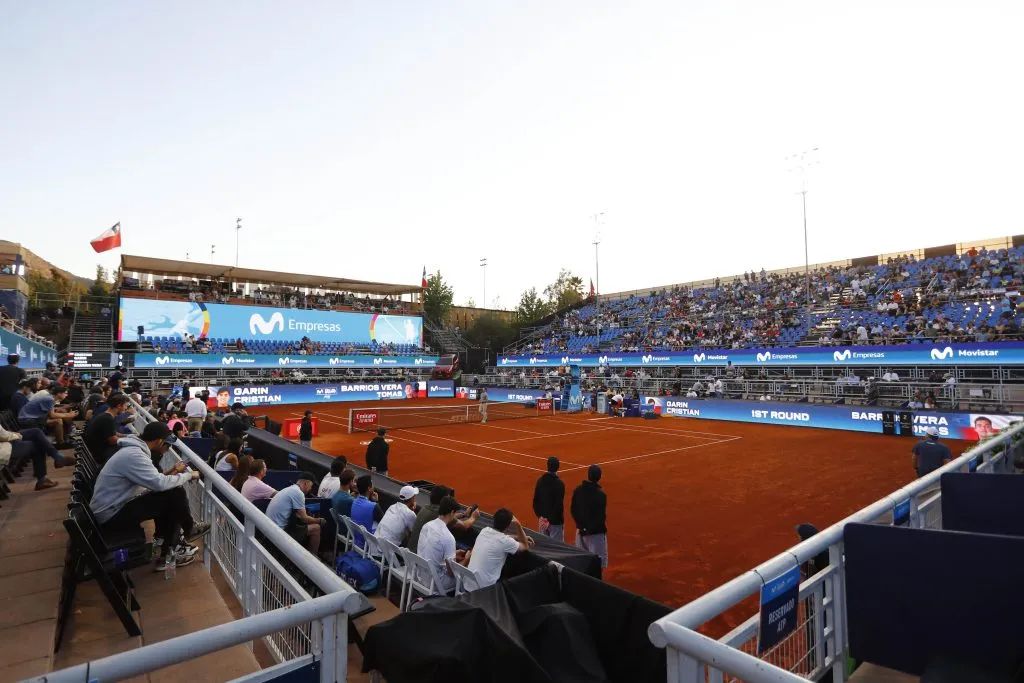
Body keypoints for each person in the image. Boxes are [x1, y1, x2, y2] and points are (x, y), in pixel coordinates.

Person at [90, 423, 209, 572]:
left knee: (169, 496)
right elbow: (158, 484)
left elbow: (153, 484)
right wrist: (189, 475)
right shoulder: (134, 455)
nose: (168, 449)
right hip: (110, 516)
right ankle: (184, 535)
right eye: (167, 445)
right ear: (159, 441)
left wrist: (174, 472)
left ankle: (170, 546)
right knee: (174, 495)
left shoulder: (133, 451)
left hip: (110, 510)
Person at [466, 508, 533, 588]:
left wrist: (518, 537)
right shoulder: (505, 542)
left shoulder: (485, 530)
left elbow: (501, 538)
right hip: (484, 590)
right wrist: (518, 524)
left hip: (467, 584)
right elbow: (525, 546)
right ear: (508, 525)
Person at [415, 496, 468, 595]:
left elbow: (431, 551)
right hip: (435, 584)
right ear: (452, 513)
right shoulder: (448, 537)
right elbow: (452, 572)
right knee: (465, 578)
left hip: (420, 577)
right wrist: (466, 560)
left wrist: (453, 554)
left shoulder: (426, 526)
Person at [408, 484, 479, 552]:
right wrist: (473, 517)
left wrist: (464, 515)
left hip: (411, 552)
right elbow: (464, 526)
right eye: (447, 497)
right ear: (443, 501)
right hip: (421, 556)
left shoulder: (425, 508)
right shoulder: (439, 513)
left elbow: (448, 516)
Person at [265, 472, 324, 553]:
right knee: (316, 528)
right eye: (311, 486)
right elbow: (304, 519)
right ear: (305, 483)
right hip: (279, 532)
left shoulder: (290, 489)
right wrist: (319, 520)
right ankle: (313, 559)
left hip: (269, 528)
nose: (310, 489)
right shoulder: (298, 493)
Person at [571, 464, 608, 568]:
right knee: (598, 563)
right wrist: (588, 529)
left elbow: (573, 510)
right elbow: (601, 518)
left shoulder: (578, 490)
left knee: (582, 561)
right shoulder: (601, 495)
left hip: (580, 532)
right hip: (595, 534)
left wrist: (581, 526)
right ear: (599, 477)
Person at [0, 423, 56, 490]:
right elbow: (3, 436)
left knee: (35, 432)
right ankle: (42, 479)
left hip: (5, 441)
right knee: (37, 446)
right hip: (4, 446)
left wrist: (13, 434)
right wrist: (16, 435)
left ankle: (58, 457)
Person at [83, 394, 130, 464]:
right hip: (101, 454)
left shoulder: (105, 415)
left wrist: (127, 436)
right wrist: (130, 441)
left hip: (97, 450)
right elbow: (113, 441)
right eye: (126, 405)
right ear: (119, 406)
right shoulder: (108, 419)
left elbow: (113, 433)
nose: (126, 408)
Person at [532, 456, 566, 542]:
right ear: (558, 467)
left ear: (547, 466)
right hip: (555, 523)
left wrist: (541, 517)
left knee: (544, 547)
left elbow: (536, 501)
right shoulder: (559, 484)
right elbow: (558, 505)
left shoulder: (540, 481)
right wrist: (550, 520)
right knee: (557, 548)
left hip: (542, 521)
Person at [351, 475, 385, 546]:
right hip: (368, 543)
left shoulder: (354, 501)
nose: (373, 486)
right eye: (372, 484)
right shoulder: (374, 506)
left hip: (357, 539)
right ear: (369, 488)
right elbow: (384, 523)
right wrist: (376, 502)